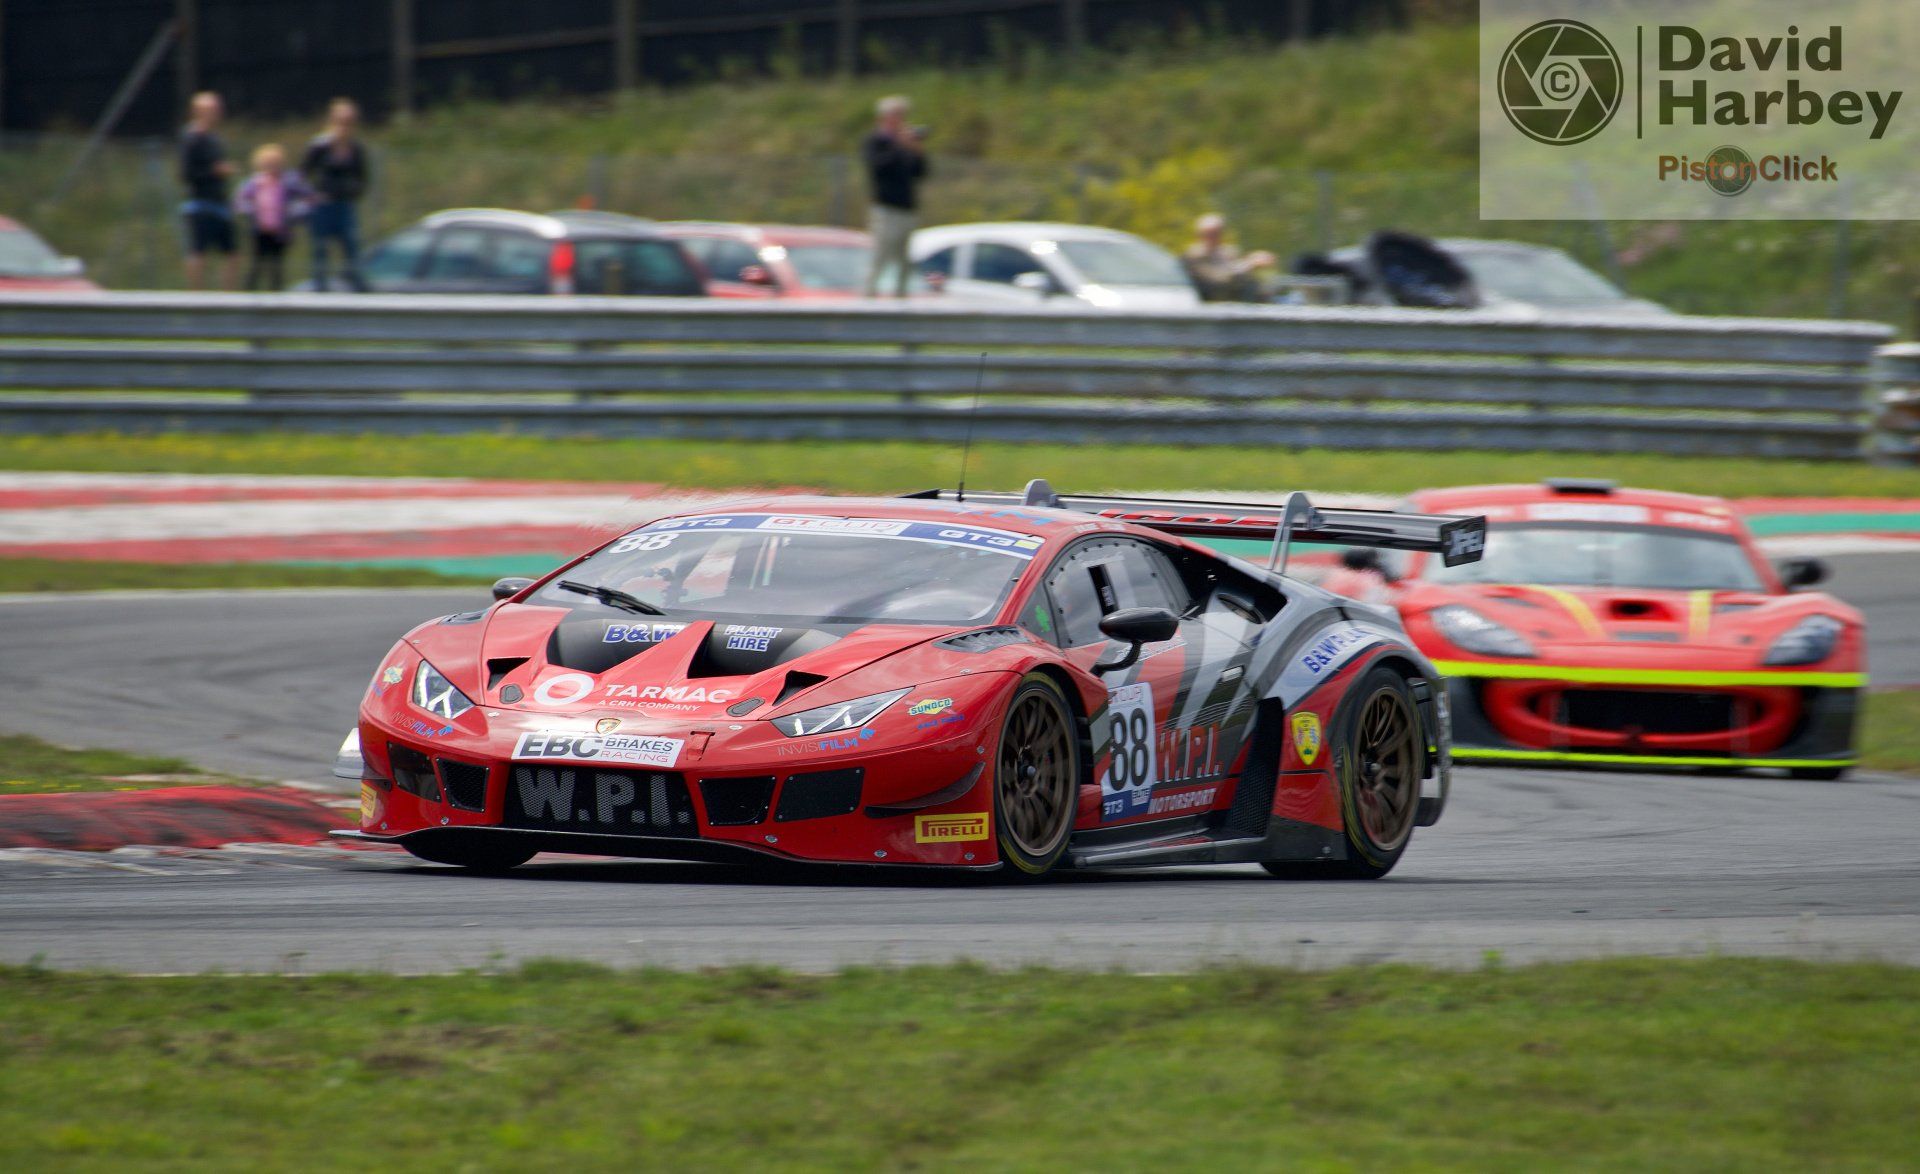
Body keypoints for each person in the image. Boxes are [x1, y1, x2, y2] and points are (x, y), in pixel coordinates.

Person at [300, 97, 371, 292]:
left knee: (351, 246)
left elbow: (363, 178)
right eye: (341, 122)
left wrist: (353, 191)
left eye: (349, 123)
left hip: (344, 204)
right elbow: (303, 174)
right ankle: (320, 288)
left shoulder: (356, 149)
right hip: (322, 205)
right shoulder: (319, 146)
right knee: (320, 249)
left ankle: (356, 285)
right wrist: (312, 196)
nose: (345, 127)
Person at [861, 95, 927, 298]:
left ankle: (901, 296)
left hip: (906, 208)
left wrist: (916, 150)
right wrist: (898, 146)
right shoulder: (876, 141)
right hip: (886, 209)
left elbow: (921, 173)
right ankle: (869, 294)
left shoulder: (906, 144)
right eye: (896, 115)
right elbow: (878, 167)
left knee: (904, 260)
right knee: (882, 255)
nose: (901, 119)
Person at [233, 144, 315, 292]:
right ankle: (248, 295)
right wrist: (254, 211)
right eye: (268, 164)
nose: (272, 168)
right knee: (257, 263)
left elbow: (308, 198)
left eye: (275, 164)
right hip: (260, 230)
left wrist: (293, 212)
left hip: (280, 231)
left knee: (277, 266)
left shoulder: (289, 182)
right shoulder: (254, 183)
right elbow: (240, 201)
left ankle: (276, 296)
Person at [178, 91, 239, 291]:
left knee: (232, 253)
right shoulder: (191, 138)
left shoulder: (214, 139)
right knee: (198, 252)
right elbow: (186, 174)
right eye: (212, 109)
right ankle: (196, 297)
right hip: (200, 204)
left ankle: (227, 297)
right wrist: (214, 171)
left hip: (219, 203)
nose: (217, 113)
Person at [1181, 212, 1276, 302]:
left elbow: (1244, 278)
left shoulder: (1229, 252)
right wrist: (1248, 264)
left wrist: (1256, 262)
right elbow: (1218, 281)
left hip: (1237, 302)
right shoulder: (1193, 256)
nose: (1212, 238)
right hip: (1211, 304)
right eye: (1207, 234)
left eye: (1216, 233)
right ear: (1199, 235)